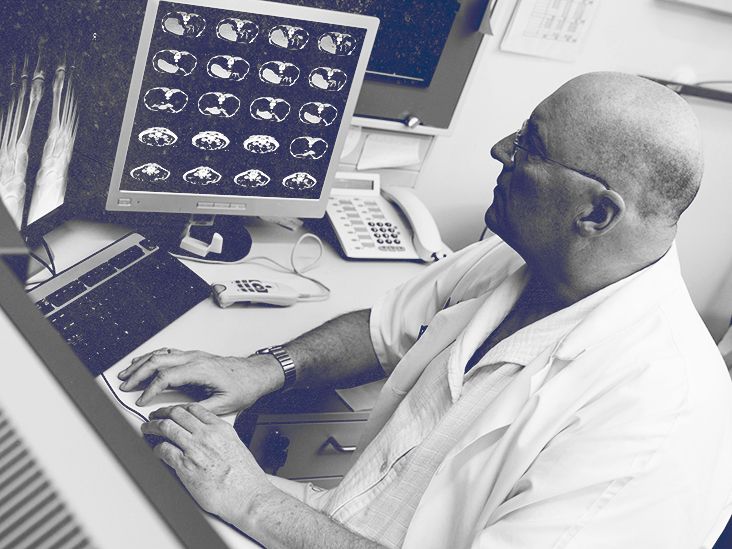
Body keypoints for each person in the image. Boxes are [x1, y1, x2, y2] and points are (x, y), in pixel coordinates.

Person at [119, 72, 732, 548]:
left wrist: (254, 501)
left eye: (530, 145)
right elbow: (382, 331)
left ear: (596, 213)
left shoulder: (662, 416)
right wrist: (264, 368)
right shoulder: (518, 262)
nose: (500, 149)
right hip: (324, 524)